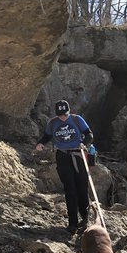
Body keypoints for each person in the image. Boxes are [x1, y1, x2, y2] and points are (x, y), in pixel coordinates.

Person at [36, 99, 93, 234]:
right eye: (60, 114)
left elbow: (89, 134)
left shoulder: (76, 119)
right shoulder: (53, 123)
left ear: (69, 111)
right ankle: (72, 223)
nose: (63, 117)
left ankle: (85, 219)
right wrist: (40, 143)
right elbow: (47, 136)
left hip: (78, 155)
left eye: (65, 114)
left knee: (82, 188)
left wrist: (84, 143)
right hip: (62, 156)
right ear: (57, 113)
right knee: (69, 188)